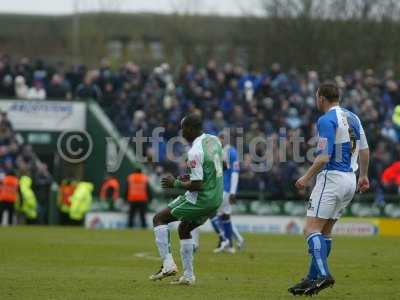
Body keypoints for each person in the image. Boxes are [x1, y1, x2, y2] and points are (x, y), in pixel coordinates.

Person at [289, 82, 370, 296]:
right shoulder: (353, 117)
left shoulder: (326, 120)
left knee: (310, 229)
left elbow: (324, 157)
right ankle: (312, 278)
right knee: (325, 232)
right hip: (350, 180)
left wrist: (306, 178)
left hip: (331, 178)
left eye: (317, 97)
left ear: (321, 98)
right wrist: (363, 175)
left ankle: (323, 274)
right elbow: (364, 150)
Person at [149, 114, 223, 285]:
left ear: (190, 129)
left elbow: (196, 185)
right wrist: (189, 176)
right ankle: (188, 276)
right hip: (216, 198)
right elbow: (221, 166)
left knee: (159, 218)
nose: (181, 133)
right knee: (184, 229)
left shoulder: (195, 152)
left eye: (183, 128)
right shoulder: (214, 140)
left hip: (202, 198)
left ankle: (167, 265)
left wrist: (175, 182)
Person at [212, 130, 244, 253]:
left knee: (216, 215)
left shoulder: (231, 152)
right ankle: (230, 243)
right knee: (224, 216)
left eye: (223, 137)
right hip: (219, 188)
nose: (220, 139)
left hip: (225, 189)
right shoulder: (218, 151)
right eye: (219, 137)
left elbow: (235, 173)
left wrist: (232, 192)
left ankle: (226, 242)